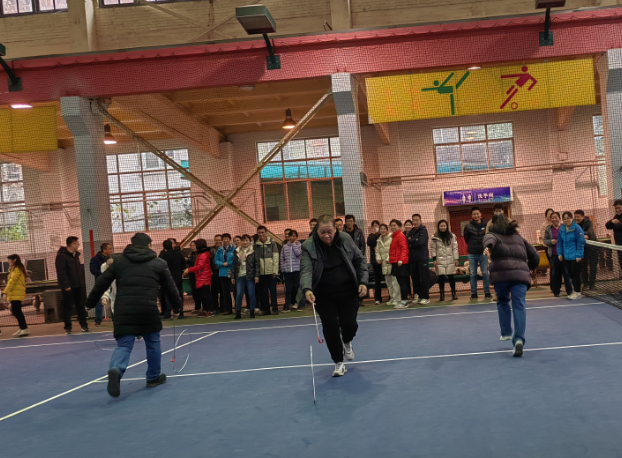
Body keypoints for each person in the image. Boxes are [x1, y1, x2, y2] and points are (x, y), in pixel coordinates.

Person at [85, 233, 182, 398]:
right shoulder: (159, 263)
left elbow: (102, 282)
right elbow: (170, 287)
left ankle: (116, 368)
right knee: (153, 343)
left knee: (124, 345)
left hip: (124, 310)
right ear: (149, 245)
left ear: (132, 244)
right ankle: (153, 377)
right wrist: (177, 307)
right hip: (148, 309)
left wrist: (90, 303)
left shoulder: (119, 262)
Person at [300, 215, 368, 377]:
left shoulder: (345, 239)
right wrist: (307, 289)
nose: (326, 235)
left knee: (349, 324)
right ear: (316, 230)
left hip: (348, 290)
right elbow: (306, 270)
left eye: (329, 232)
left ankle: (347, 340)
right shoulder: (308, 245)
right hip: (323, 294)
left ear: (336, 229)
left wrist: (363, 282)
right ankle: (338, 362)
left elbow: (359, 260)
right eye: (322, 232)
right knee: (330, 327)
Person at [483, 215, 540, 357]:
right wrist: (529, 268)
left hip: (501, 276)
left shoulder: (492, 234)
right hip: (520, 276)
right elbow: (535, 255)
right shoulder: (519, 237)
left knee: (502, 300)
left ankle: (506, 332)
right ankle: (519, 339)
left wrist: (487, 247)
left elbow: (489, 240)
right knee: (519, 305)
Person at [55, 236, 89, 334]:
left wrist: (81, 283)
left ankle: (84, 325)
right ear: (72, 244)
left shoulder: (76, 256)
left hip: (78, 285)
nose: (78, 245)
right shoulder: (61, 256)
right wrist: (66, 284)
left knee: (80, 306)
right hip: (69, 287)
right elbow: (61, 272)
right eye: (76, 243)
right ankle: (68, 327)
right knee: (68, 306)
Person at [463, 207, 492, 300]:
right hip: (472, 253)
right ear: (471, 216)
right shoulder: (468, 226)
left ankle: (487, 292)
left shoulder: (486, 225)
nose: (476, 215)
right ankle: (474, 293)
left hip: (483, 253)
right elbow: (466, 239)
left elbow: (488, 236)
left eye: (477, 214)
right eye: (474, 214)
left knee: (485, 273)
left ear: (480, 214)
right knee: (473, 274)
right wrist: (473, 245)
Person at [543, 212, 573, 297]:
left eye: (556, 217)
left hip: (564, 254)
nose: (554, 219)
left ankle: (569, 291)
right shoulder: (548, 229)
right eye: (552, 218)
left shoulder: (565, 227)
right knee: (555, 273)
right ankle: (556, 291)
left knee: (566, 272)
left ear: (559, 218)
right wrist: (550, 241)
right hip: (554, 254)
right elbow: (545, 240)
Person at [558, 211, 586, 300]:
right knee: (570, 273)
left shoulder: (577, 228)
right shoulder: (562, 228)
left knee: (575, 274)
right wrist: (559, 253)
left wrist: (579, 255)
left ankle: (578, 292)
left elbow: (580, 242)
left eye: (568, 218)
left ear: (572, 218)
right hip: (566, 256)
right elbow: (559, 241)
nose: (566, 220)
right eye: (564, 219)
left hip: (575, 256)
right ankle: (575, 291)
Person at [184, 238, 214, 317]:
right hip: (201, 277)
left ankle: (210, 310)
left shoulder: (203, 255)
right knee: (203, 295)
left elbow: (200, 266)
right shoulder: (201, 254)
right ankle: (205, 310)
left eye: (195, 245)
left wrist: (189, 269)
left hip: (204, 277)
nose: (194, 247)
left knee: (206, 295)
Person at [232, 235, 260, 319]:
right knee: (239, 294)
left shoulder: (253, 251)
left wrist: (256, 276)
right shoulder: (236, 251)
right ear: (241, 242)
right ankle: (238, 312)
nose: (245, 242)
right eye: (243, 240)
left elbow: (257, 264)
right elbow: (234, 265)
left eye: (247, 240)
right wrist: (233, 277)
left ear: (250, 241)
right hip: (240, 276)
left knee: (251, 294)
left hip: (250, 276)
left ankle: (252, 311)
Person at [431, 220, 459, 302]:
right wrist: (434, 259)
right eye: (441, 226)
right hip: (439, 260)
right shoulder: (435, 237)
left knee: (451, 277)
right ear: (438, 227)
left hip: (450, 259)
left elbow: (455, 248)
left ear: (447, 226)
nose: (442, 227)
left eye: (444, 226)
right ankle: (442, 294)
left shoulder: (452, 236)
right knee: (441, 277)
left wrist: (456, 259)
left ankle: (454, 293)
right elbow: (433, 249)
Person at [255, 226, 280, 315]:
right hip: (261, 273)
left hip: (271, 272)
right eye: (259, 232)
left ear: (266, 233)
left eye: (262, 232)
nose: (261, 234)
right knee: (264, 292)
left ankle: (275, 308)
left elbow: (276, 257)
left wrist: (275, 271)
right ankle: (266, 309)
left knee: (273, 291)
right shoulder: (255, 245)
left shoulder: (272, 243)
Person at [159, 239, 186, 318]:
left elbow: (162, 267)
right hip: (178, 278)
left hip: (168, 279)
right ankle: (180, 312)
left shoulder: (164, 255)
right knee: (179, 295)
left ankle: (168, 313)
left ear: (164, 247)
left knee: (168, 296)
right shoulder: (179, 253)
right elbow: (184, 265)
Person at [3, 254, 29, 337]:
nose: (8, 261)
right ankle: (22, 328)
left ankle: (24, 328)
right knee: (16, 311)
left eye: (9, 260)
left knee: (16, 311)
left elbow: (12, 281)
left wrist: (5, 292)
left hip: (17, 293)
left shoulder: (17, 269)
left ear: (14, 260)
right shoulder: (13, 269)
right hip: (14, 293)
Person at [406, 214, 430, 304]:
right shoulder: (411, 231)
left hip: (422, 258)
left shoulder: (424, 230)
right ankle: (418, 296)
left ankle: (425, 297)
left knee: (424, 278)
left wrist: (412, 241)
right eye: (413, 220)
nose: (415, 222)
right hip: (413, 259)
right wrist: (414, 240)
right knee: (415, 279)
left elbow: (420, 242)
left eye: (417, 220)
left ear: (420, 221)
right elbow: (407, 241)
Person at [89, 243, 113, 326]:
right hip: (101, 282)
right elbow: (93, 270)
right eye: (109, 249)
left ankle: (115, 318)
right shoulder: (95, 259)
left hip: (112, 282)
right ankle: (98, 320)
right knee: (99, 301)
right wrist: (103, 274)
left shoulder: (112, 258)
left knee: (113, 300)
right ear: (104, 250)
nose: (111, 250)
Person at [375, 224, 399, 305]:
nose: (382, 230)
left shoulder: (391, 238)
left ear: (387, 229)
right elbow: (377, 251)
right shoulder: (379, 240)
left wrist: (389, 258)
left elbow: (393, 249)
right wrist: (378, 258)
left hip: (392, 263)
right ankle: (392, 298)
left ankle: (397, 299)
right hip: (384, 265)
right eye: (381, 229)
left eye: (384, 229)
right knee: (388, 283)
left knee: (394, 282)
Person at [389, 219, 410, 309]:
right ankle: (404, 301)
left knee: (402, 283)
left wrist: (401, 260)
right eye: (391, 225)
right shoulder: (394, 236)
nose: (393, 227)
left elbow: (404, 248)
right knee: (401, 282)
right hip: (396, 262)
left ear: (399, 226)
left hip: (400, 263)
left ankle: (404, 302)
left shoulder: (400, 236)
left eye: (395, 225)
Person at [574, 210, 597, 291]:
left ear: (582, 217)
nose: (576, 218)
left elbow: (590, 232)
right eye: (575, 216)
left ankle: (592, 284)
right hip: (582, 248)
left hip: (592, 248)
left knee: (593, 266)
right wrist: (582, 235)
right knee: (583, 266)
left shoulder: (589, 222)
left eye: (578, 217)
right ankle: (585, 284)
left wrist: (584, 235)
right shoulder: (574, 224)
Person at [280, 229, 302, 312]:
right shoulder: (285, 246)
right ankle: (287, 306)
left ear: (296, 237)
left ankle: (298, 304)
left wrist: (293, 244)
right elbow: (282, 258)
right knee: (288, 289)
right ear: (288, 237)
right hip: (287, 271)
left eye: (294, 236)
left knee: (297, 287)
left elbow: (298, 253)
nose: (292, 237)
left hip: (297, 270)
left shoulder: (299, 245)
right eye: (291, 236)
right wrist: (283, 269)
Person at [214, 233, 235, 315]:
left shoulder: (234, 249)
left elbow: (236, 259)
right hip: (222, 272)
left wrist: (228, 263)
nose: (225, 240)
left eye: (227, 238)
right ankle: (228, 309)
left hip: (232, 272)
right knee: (225, 292)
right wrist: (222, 264)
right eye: (224, 239)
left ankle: (237, 308)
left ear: (230, 239)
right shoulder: (219, 250)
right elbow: (216, 260)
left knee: (235, 290)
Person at [367, 220, 383, 304]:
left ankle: (391, 296)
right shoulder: (371, 236)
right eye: (374, 225)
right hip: (375, 261)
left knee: (388, 278)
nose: (375, 227)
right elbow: (370, 243)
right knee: (377, 280)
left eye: (377, 225)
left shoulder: (383, 235)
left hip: (384, 260)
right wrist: (374, 234)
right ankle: (378, 298)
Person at [605, 199, 622, 269]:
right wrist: (612, 221)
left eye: (619, 208)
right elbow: (607, 226)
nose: (617, 210)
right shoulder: (617, 216)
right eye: (616, 208)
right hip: (619, 244)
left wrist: (614, 226)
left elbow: (619, 227)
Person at [210, 235, 224, 313]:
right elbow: (209, 261)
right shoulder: (211, 250)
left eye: (219, 240)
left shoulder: (225, 249)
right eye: (216, 240)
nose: (218, 241)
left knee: (223, 290)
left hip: (223, 271)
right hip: (214, 272)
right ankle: (215, 307)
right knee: (214, 291)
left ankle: (223, 307)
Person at [187, 241, 202, 314]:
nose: (192, 247)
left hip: (199, 276)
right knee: (194, 292)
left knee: (201, 292)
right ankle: (197, 307)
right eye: (191, 245)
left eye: (194, 245)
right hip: (192, 275)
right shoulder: (190, 255)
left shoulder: (200, 254)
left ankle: (205, 308)